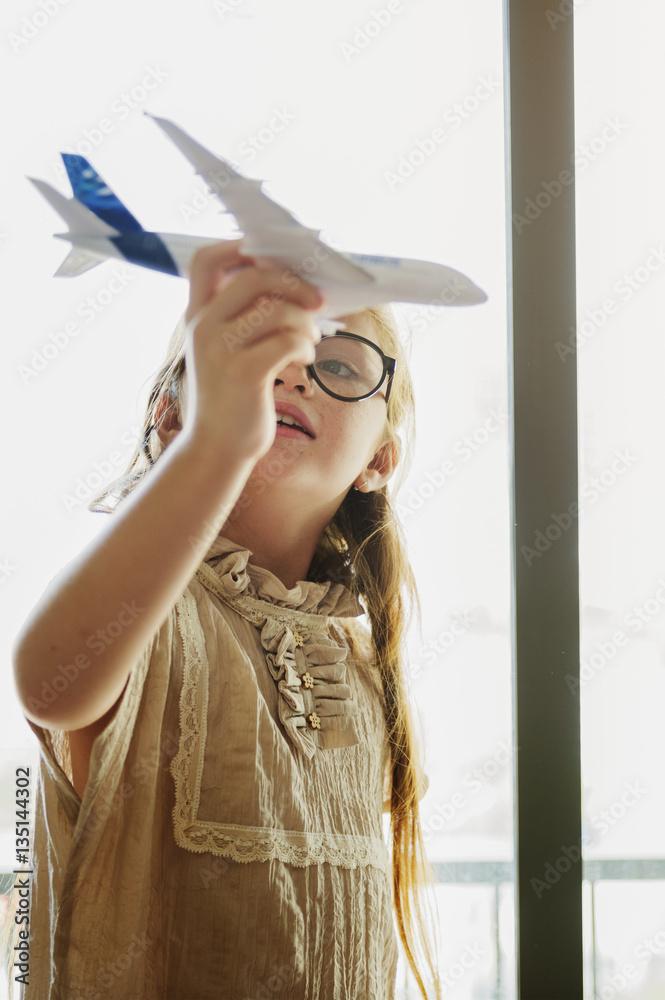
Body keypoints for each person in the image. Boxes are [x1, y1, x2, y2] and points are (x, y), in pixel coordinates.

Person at [10, 239, 440, 1000]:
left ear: (379, 460)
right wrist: (221, 440)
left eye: (339, 364)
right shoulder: (152, 614)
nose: (294, 369)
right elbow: (52, 682)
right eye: (251, 350)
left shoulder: (357, 664)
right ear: (174, 416)